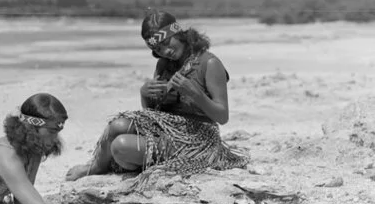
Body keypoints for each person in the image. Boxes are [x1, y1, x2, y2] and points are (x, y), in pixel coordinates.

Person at [66, 10, 249, 184]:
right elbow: (151, 115)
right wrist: (145, 95)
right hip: (167, 130)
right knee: (117, 125)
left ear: (178, 33)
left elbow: (222, 116)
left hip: (198, 139)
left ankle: (139, 161)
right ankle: (97, 166)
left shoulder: (210, 63)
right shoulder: (164, 64)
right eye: (159, 49)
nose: (165, 52)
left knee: (120, 146)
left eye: (168, 44)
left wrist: (195, 93)